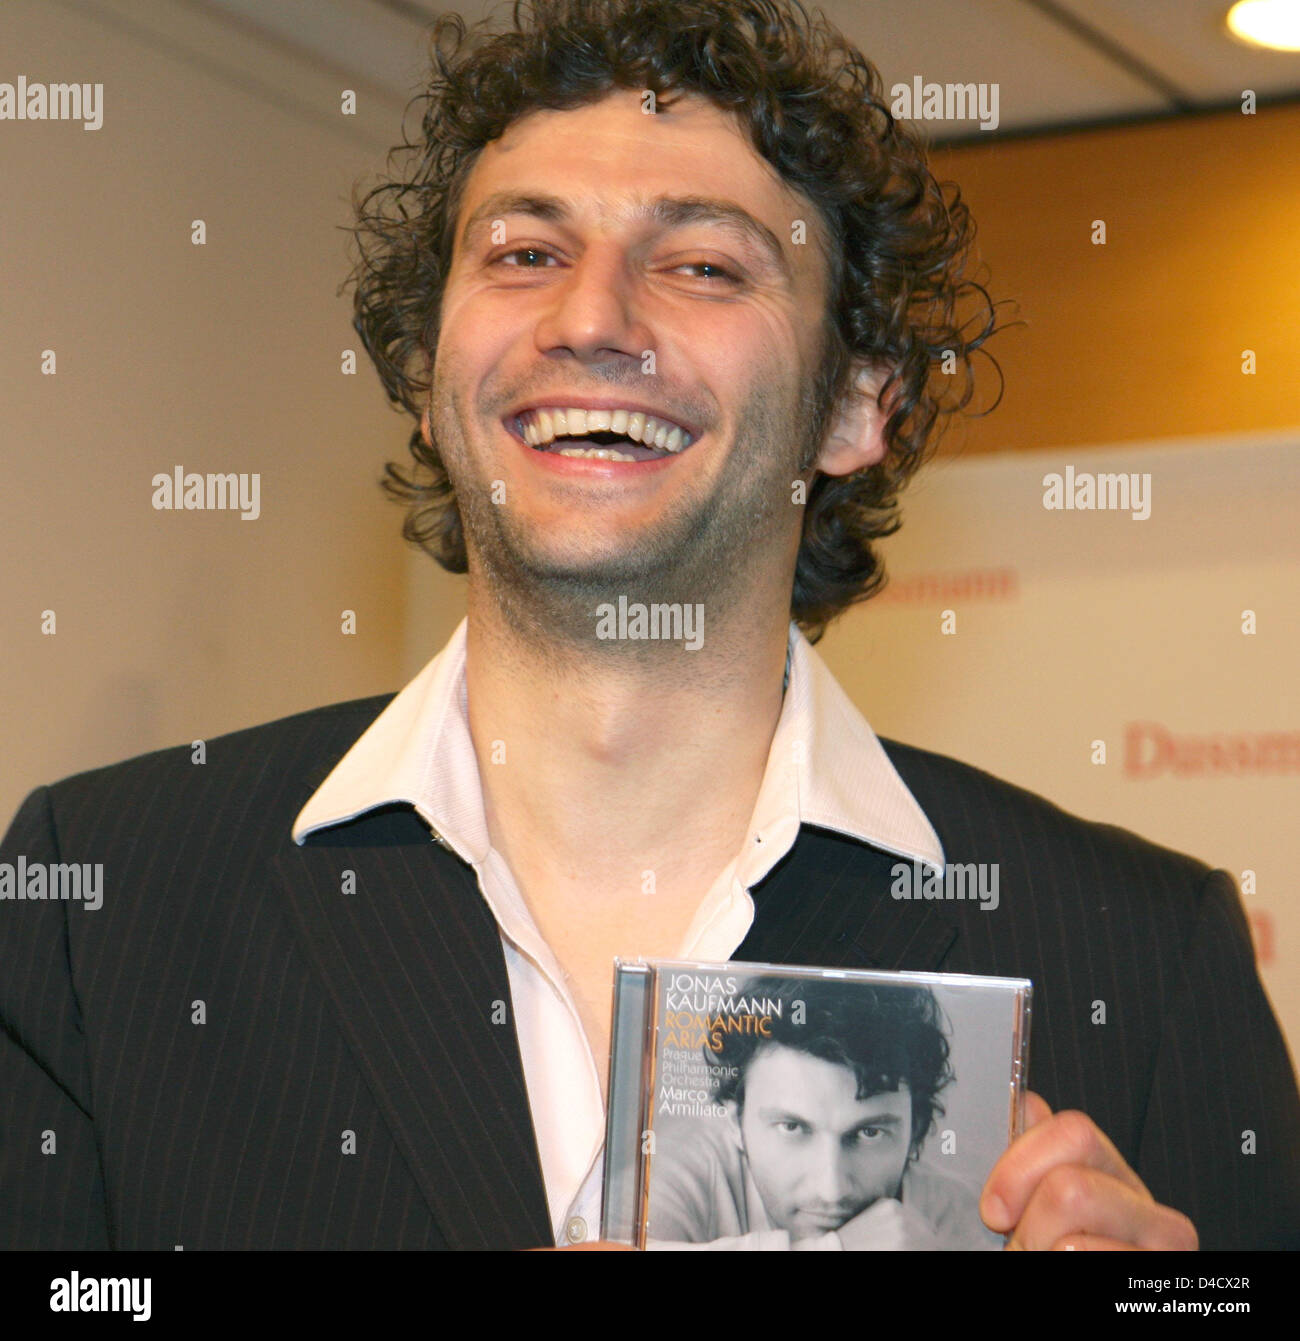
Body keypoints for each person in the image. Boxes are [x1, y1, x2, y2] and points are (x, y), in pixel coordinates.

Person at [1, 0, 1297, 1251]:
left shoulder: (1150, 954)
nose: (590, 318)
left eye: (702, 264)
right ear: (424, 377)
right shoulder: (96, 896)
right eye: (523, 253)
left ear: (856, 404)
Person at [644, 976, 996, 1250]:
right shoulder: (667, 1171)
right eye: (792, 1127)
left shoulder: (961, 1214)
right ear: (735, 1122)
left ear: (917, 1131)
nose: (831, 1190)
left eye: (869, 1133)